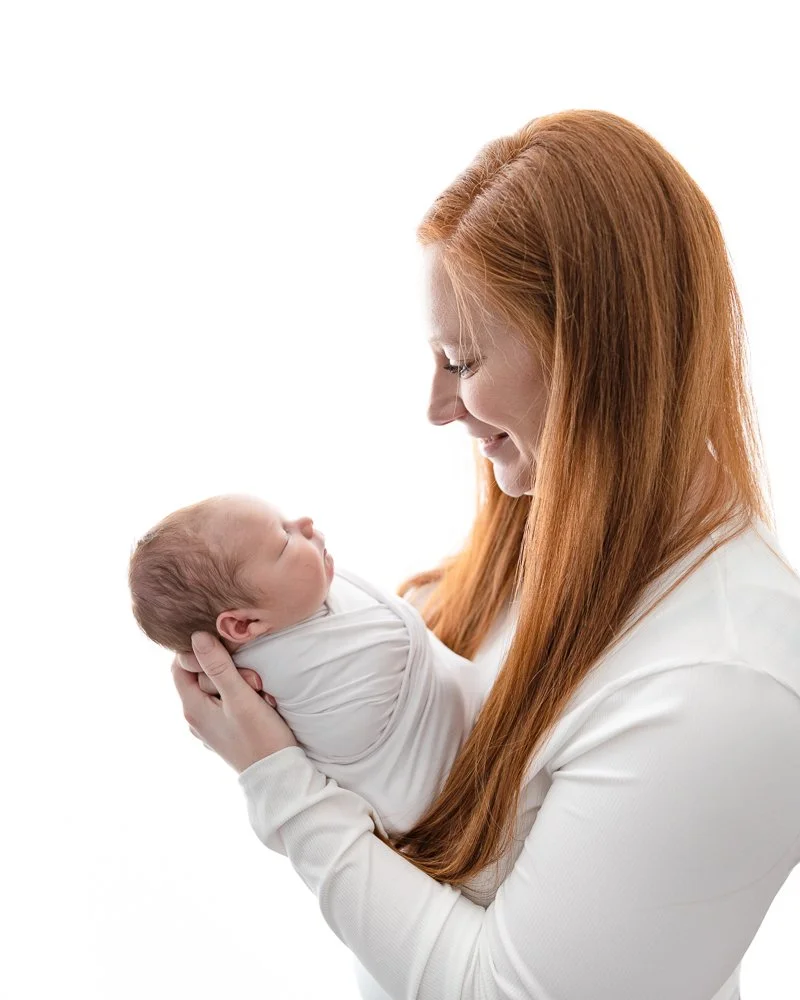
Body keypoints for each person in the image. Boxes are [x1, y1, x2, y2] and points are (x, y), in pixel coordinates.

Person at [171, 109, 800, 1000]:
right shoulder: (553, 526)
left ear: (593, 361)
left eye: (461, 360)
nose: (436, 406)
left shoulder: (724, 693)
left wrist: (281, 785)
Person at [128, 493, 483, 852]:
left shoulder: (292, 618)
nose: (305, 524)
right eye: (284, 540)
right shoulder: (274, 678)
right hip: (452, 808)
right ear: (243, 624)